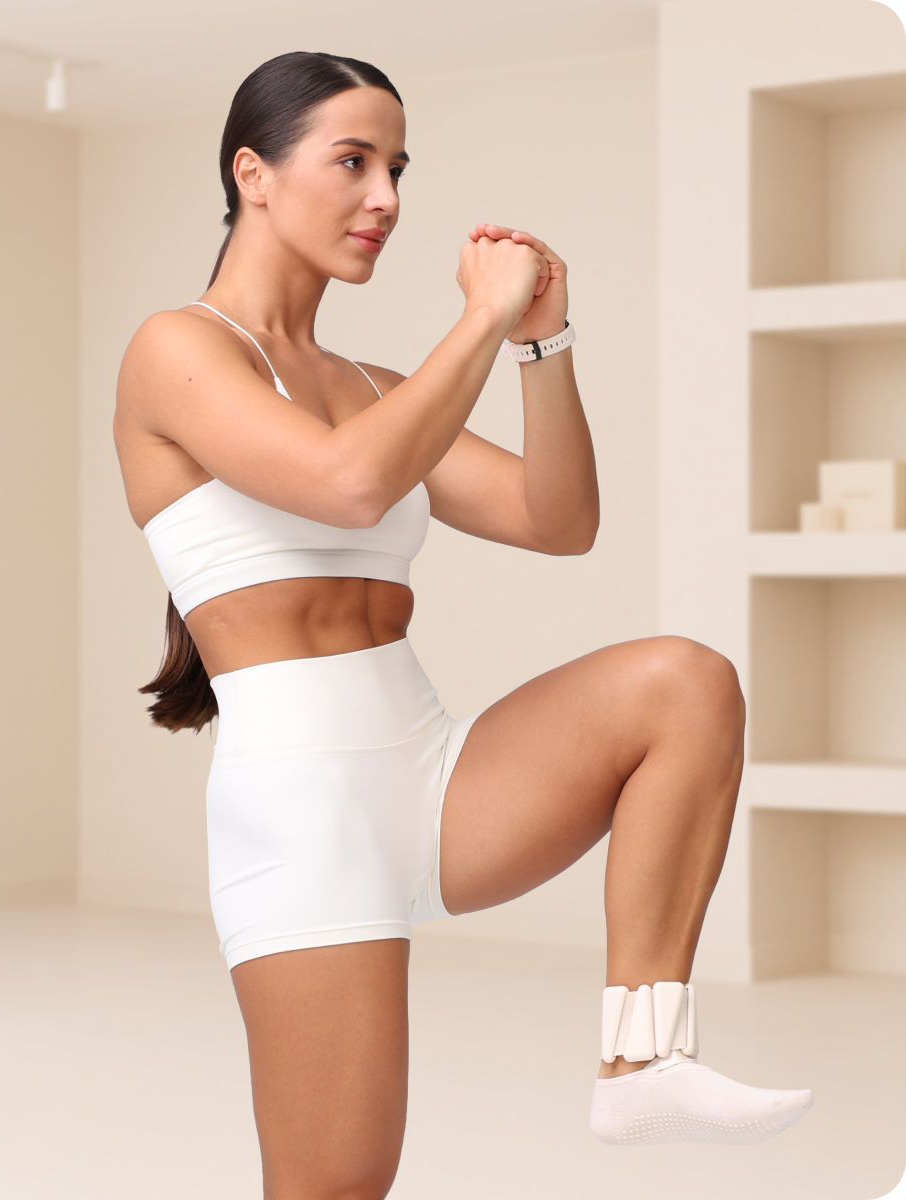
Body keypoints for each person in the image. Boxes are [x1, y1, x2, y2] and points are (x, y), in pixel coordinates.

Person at [112, 52, 809, 1197]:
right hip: (302, 815)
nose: (386, 197)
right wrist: (481, 320)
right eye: (353, 161)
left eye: (395, 168)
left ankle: (642, 1057)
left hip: (431, 773)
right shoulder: (175, 351)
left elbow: (558, 517)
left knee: (686, 683)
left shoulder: (383, 386)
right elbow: (348, 488)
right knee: (339, 1187)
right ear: (255, 175)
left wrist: (543, 339)